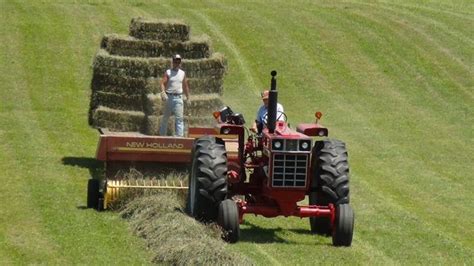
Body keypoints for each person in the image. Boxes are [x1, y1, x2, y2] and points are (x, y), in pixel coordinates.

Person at [159, 54, 190, 137]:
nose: (177, 63)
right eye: (175, 61)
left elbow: (185, 86)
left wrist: (188, 97)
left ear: (180, 62)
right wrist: (163, 92)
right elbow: (162, 83)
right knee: (165, 118)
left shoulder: (182, 73)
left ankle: (179, 136)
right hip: (169, 97)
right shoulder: (168, 72)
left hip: (179, 97)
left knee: (179, 118)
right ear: (172, 62)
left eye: (178, 61)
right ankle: (162, 135)